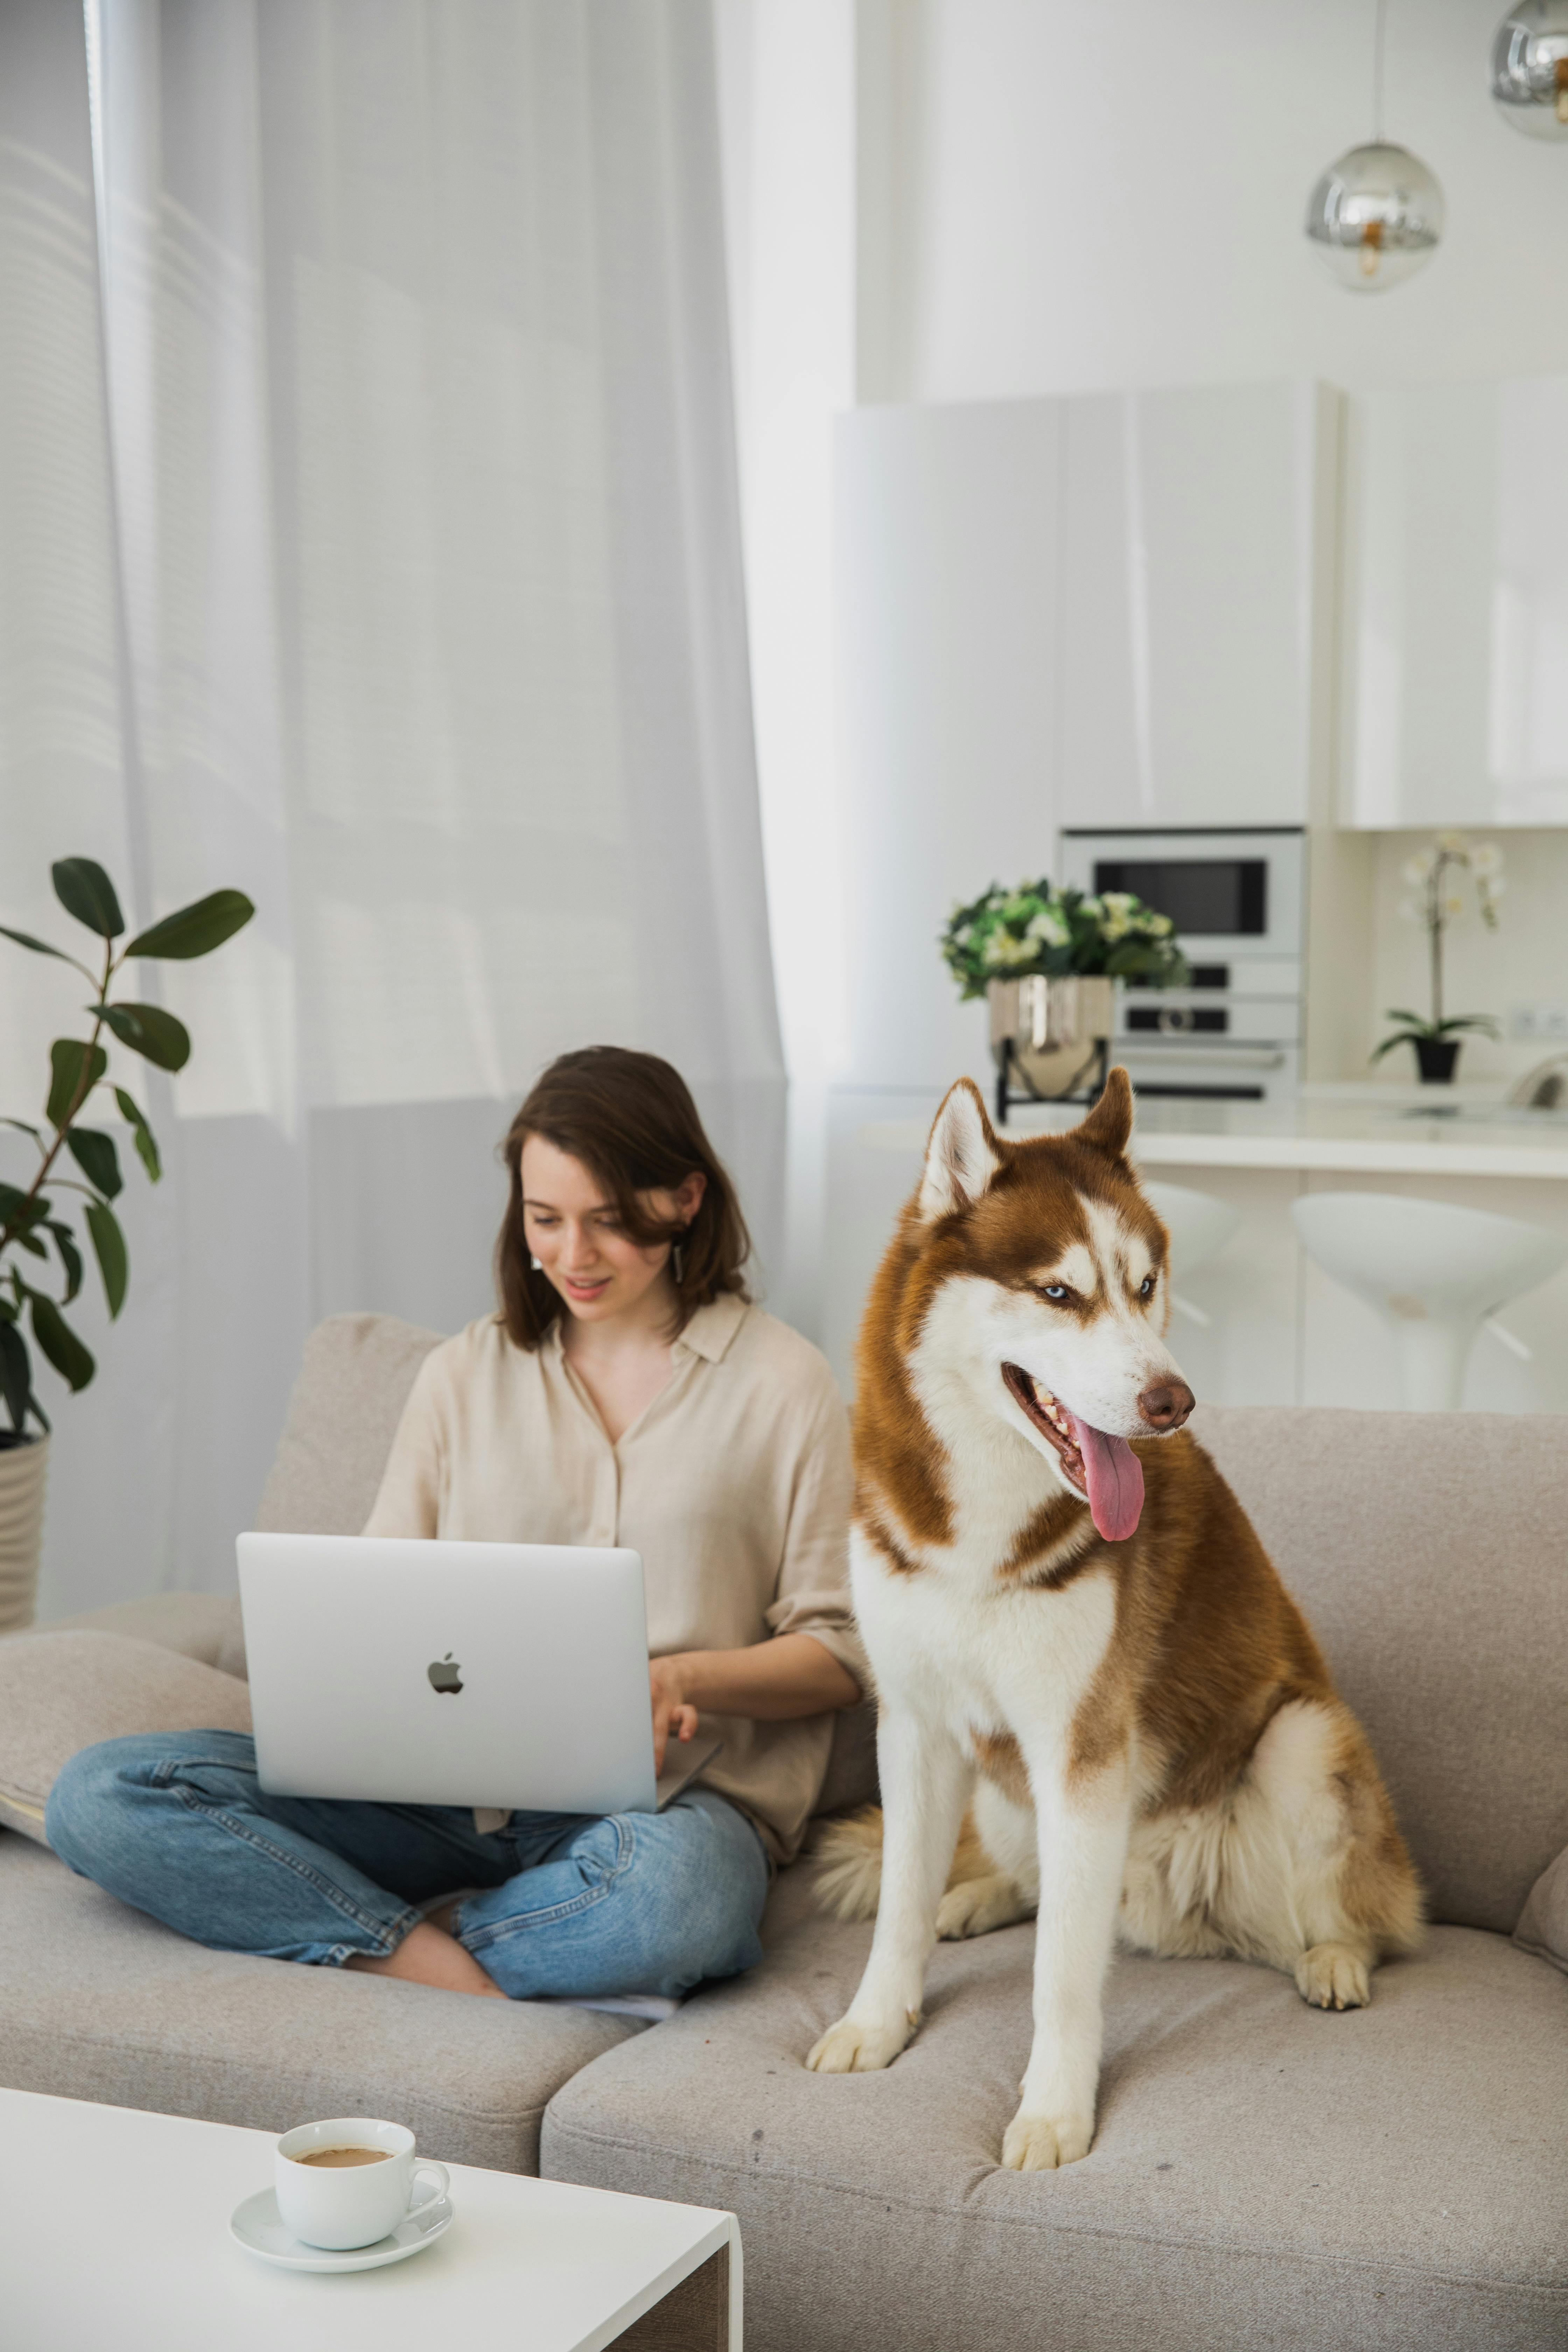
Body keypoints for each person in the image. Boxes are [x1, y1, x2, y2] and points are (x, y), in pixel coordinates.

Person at [47, 1048, 862, 2003]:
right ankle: (443, 1960)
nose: (573, 1256)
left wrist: (681, 1677)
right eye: (545, 1219)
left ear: (685, 1200)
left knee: (672, 1908)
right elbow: (377, 1601)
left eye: (609, 1222)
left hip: (666, 1812)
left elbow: (843, 1652)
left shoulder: (786, 1384)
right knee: (101, 1796)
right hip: (443, 1803)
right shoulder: (462, 1375)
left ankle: (401, 1932)